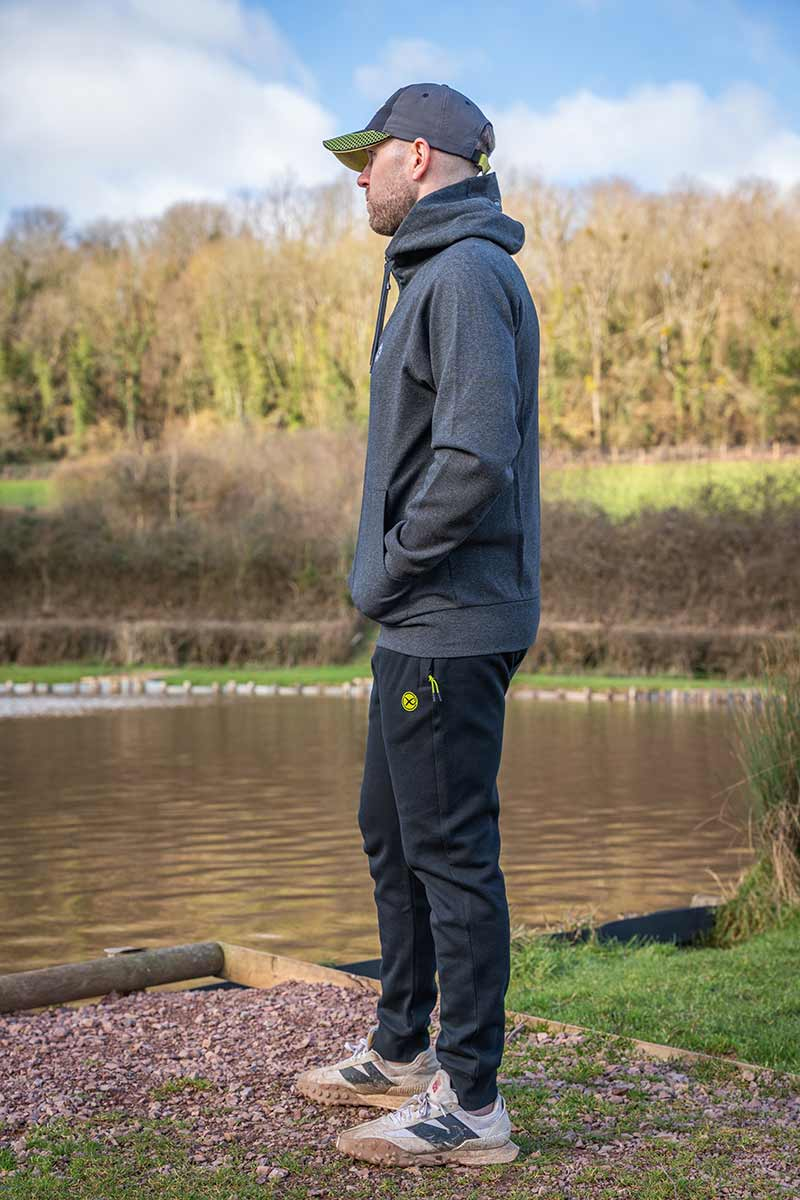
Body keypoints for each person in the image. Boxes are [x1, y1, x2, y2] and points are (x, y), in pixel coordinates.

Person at [295, 82, 541, 1169]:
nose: (358, 177)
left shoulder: (468, 275)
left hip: (450, 614)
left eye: (371, 157)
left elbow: (474, 455)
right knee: (390, 832)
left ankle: (471, 1103)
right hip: (420, 615)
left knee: (449, 853)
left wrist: (390, 567)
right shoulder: (431, 274)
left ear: (421, 157)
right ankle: (401, 1047)